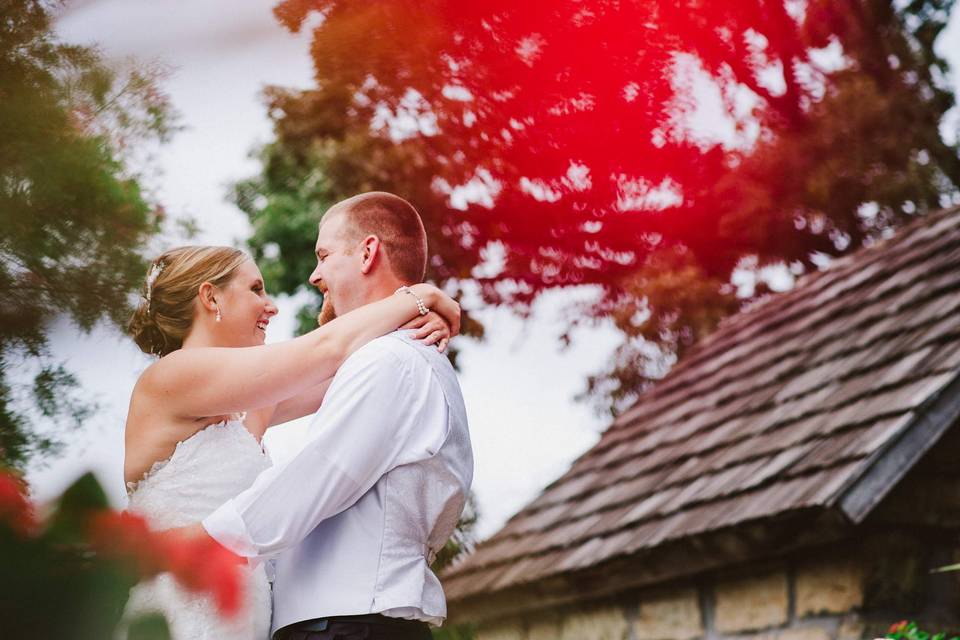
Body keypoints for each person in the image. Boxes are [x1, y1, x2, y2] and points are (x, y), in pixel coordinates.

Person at [122, 234, 461, 638]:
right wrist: (419, 297)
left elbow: (350, 371)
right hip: (181, 609)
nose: (272, 306)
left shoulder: (248, 408)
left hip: (245, 615)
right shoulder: (170, 377)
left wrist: (419, 325)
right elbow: (328, 350)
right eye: (255, 289)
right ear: (211, 298)